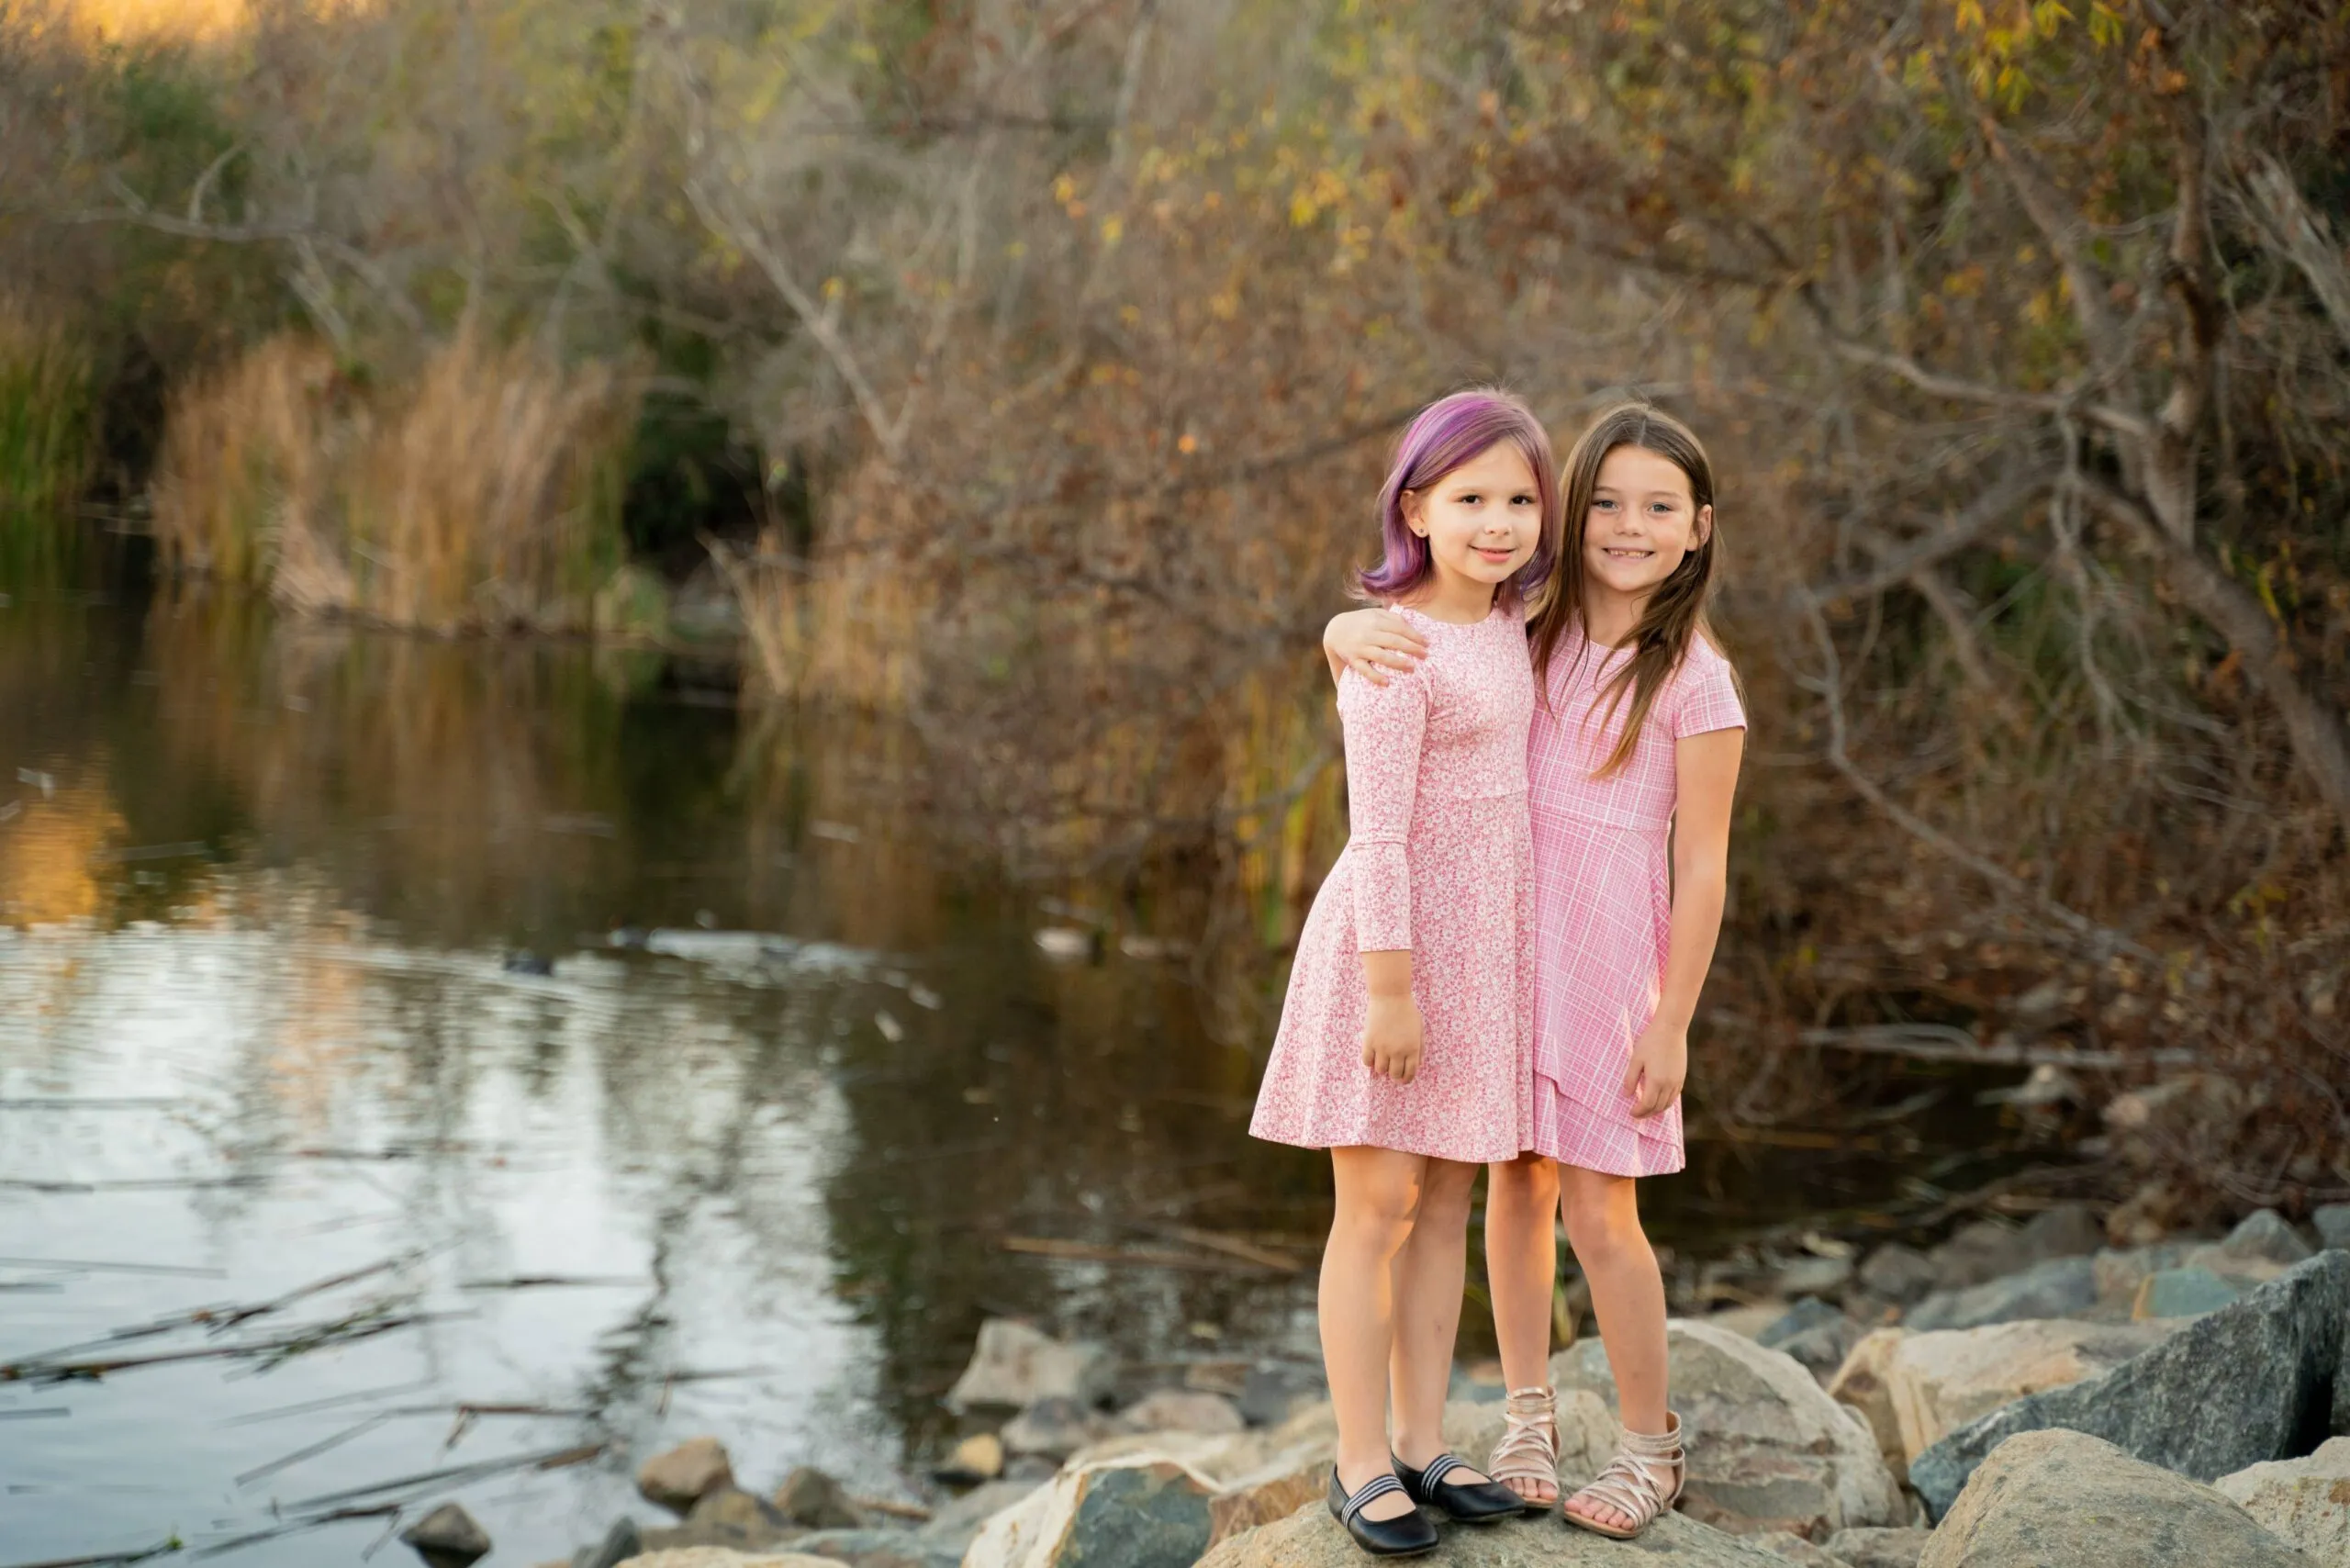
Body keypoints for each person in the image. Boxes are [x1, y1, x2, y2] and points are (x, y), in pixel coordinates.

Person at [1322, 403, 1747, 1540]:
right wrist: (1337, 628)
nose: (1624, 525)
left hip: (1608, 964)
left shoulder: (1696, 680)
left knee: (1604, 1211)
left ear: (1698, 529)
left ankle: (1652, 1448)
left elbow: (1702, 867)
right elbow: (1416, 629)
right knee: (1512, 1186)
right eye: (1604, 500)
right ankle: (1524, 1418)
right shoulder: (1531, 624)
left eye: (1658, 507)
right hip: (1497, 950)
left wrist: (1673, 1020)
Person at [1250, 388, 1555, 1557]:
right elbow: (1377, 831)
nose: (1498, 519)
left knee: (1445, 1208)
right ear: (1416, 507)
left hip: (1482, 960)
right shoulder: (1391, 646)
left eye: (1519, 497)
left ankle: (1427, 1439)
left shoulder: (1514, 625)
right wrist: (1389, 986)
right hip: (1396, 952)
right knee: (1373, 1208)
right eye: (1470, 497)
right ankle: (1358, 1456)